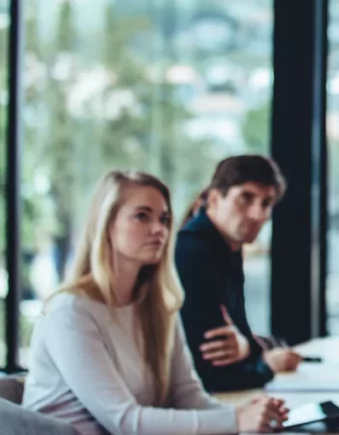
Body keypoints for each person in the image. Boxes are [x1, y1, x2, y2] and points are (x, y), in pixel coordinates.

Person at [21, 170, 287, 435]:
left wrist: (246, 415)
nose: (159, 229)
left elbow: (189, 397)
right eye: (142, 216)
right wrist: (236, 420)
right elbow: (125, 421)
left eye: (164, 219)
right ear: (107, 223)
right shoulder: (70, 311)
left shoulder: (159, 306)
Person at [176, 155, 302, 392]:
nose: (258, 214)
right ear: (215, 198)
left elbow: (239, 335)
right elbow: (212, 372)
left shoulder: (227, 249)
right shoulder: (192, 252)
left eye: (266, 203)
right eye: (246, 198)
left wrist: (249, 347)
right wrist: (267, 365)